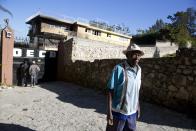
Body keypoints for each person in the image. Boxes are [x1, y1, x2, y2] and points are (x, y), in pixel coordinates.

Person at [106, 44, 144, 131]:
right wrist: (109, 112)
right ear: (127, 55)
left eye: (139, 55)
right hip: (118, 112)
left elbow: (136, 90)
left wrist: (138, 106)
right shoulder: (118, 69)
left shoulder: (139, 70)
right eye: (134, 54)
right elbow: (110, 90)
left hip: (132, 112)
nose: (137, 57)